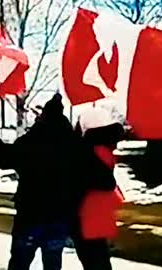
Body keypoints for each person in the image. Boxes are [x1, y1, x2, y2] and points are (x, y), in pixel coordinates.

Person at [0, 94, 77, 270]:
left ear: (43, 116)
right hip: (59, 215)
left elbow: (4, 159)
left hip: (30, 213)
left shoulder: (33, 139)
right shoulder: (73, 143)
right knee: (53, 263)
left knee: (20, 263)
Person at [71, 107, 125, 270]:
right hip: (98, 216)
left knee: (94, 262)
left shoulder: (87, 152)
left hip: (87, 217)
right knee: (98, 261)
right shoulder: (103, 149)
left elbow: (101, 181)